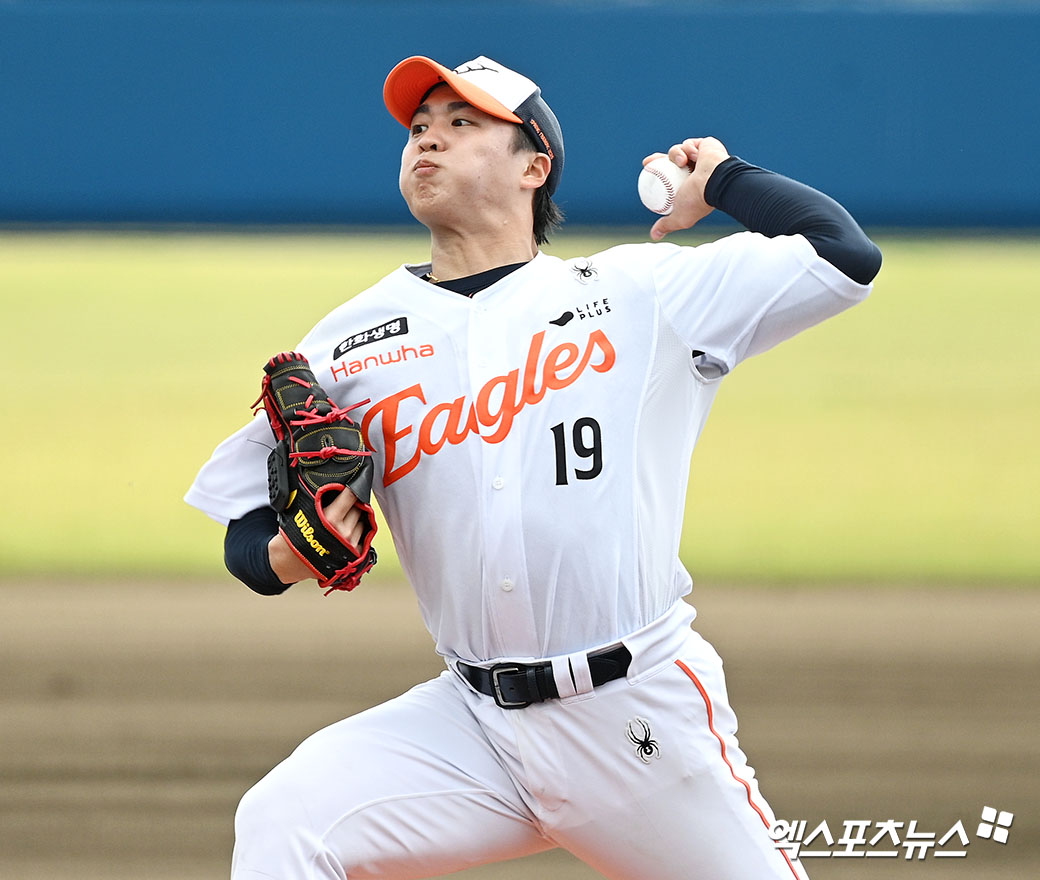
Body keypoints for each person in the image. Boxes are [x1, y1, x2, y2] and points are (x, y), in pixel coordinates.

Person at [185, 54, 880, 880]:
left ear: (534, 167)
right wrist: (284, 553)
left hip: (637, 716)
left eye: (461, 123)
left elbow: (844, 255)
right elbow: (246, 531)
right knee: (287, 819)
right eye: (418, 128)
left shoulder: (643, 292)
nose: (428, 140)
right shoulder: (348, 341)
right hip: (471, 730)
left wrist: (724, 179)